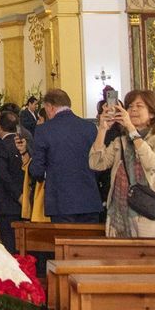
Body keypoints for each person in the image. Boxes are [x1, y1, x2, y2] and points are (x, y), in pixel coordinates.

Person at [88, 89, 155, 239]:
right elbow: (96, 163)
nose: (133, 110)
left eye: (139, 106)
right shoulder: (121, 141)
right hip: (121, 216)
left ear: (152, 113)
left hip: (152, 216)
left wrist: (131, 128)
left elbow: (151, 162)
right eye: (129, 106)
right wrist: (103, 129)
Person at [29, 88, 103, 223]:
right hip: (89, 200)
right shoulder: (90, 127)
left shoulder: (44, 130)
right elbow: (98, 164)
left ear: (50, 107)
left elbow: (37, 169)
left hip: (60, 202)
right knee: (88, 243)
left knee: (64, 242)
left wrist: (46, 175)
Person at [0, 107, 28, 251]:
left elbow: (3, 176)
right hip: (24, 202)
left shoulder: (0, 147)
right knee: (23, 243)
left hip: (6, 203)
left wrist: (17, 195)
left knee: (9, 244)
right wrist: (23, 196)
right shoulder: (24, 143)